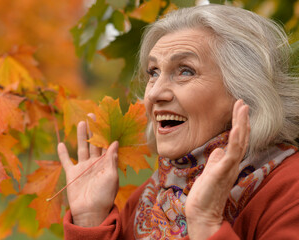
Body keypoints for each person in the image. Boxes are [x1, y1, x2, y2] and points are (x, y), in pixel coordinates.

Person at [59, 4, 299, 239]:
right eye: (153, 72)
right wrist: (90, 220)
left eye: (185, 71)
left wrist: (206, 223)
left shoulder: (290, 188)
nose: (154, 94)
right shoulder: (147, 200)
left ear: (245, 91)